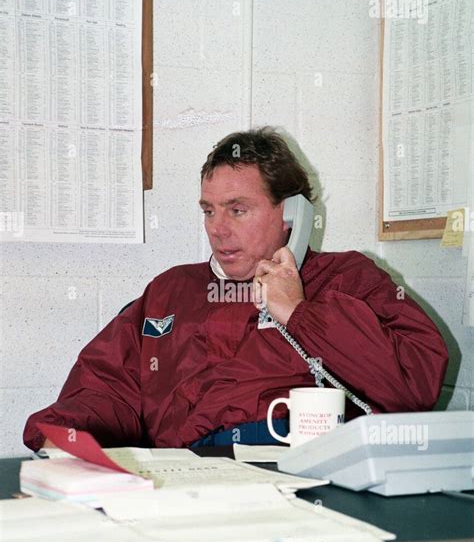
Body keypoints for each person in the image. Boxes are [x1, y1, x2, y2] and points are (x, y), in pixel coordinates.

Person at [23, 128, 449, 452]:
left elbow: (414, 384)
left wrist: (299, 312)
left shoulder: (347, 279)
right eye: (208, 211)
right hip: (183, 481)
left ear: (292, 213)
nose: (217, 229)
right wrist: (65, 436)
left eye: (238, 210)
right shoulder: (172, 291)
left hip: (293, 482)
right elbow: (106, 387)